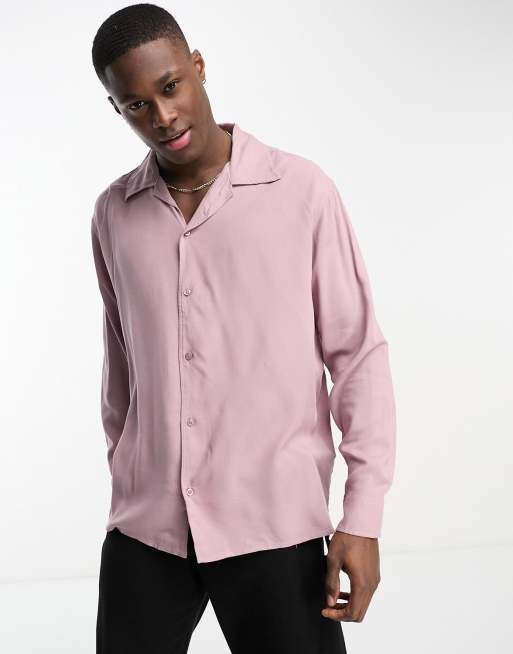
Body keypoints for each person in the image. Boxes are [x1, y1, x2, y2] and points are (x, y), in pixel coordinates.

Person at [90, 4, 396, 653]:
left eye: (170, 86)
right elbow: (120, 364)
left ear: (197, 67)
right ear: (116, 109)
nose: (162, 116)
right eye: (137, 104)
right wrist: (127, 471)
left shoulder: (300, 191)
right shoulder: (114, 212)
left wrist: (362, 516)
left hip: (274, 525)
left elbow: (356, 357)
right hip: (148, 530)